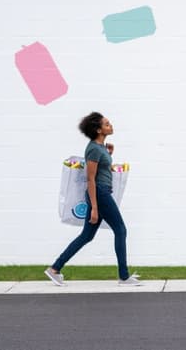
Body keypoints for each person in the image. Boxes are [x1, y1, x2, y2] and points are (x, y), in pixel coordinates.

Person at [45, 112, 141, 286]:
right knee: (120, 230)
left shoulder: (100, 148)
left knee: (87, 236)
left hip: (101, 193)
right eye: (106, 124)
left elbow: (103, 170)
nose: (110, 125)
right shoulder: (93, 149)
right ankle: (124, 276)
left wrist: (109, 154)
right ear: (98, 130)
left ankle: (54, 269)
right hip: (100, 194)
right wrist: (95, 208)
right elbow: (90, 179)